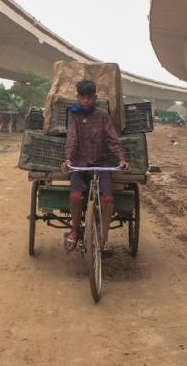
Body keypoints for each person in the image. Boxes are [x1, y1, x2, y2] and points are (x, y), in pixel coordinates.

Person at [61, 79, 130, 252]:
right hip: (79, 165)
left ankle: (102, 235)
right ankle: (75, 231)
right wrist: (68, 159)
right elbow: (72, 137)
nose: (86, 101)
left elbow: (113, 140)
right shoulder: (73, 114)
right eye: (82, 97)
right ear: (77, 97)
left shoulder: (102, 115)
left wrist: (121, 159)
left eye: (89, 97)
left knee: (107, 198)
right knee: (76, 195)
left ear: (95, 97)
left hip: (101, 165)